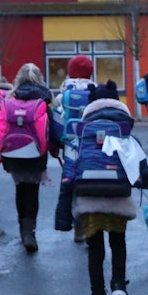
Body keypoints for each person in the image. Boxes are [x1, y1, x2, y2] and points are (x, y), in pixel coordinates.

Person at [74, 81, 148, 295]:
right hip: (117, 198)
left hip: (88, 199)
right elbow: (145, 174)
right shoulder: (124, 134)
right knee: (118, 243)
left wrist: (66, 212)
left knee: (95, 250)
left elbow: (70, 173)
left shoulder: (81, 135)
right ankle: (119, 285)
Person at [0, 63, 53, 253]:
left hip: (12, 153)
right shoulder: (44, 99)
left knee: (21, 189)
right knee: (33, 190)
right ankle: (30, 231)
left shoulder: (10, 98)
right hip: (36, 153)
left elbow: (0, 126)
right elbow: (51, 128)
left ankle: (23, 229)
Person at [52, 55, 96, 242]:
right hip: (92, 145)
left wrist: (56, 145)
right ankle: (87, 225)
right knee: (90, 184)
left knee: (71, 182)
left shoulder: (63, 95)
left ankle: (75, 226)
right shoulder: (96, 93)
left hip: (70, 146)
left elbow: (56, 124)